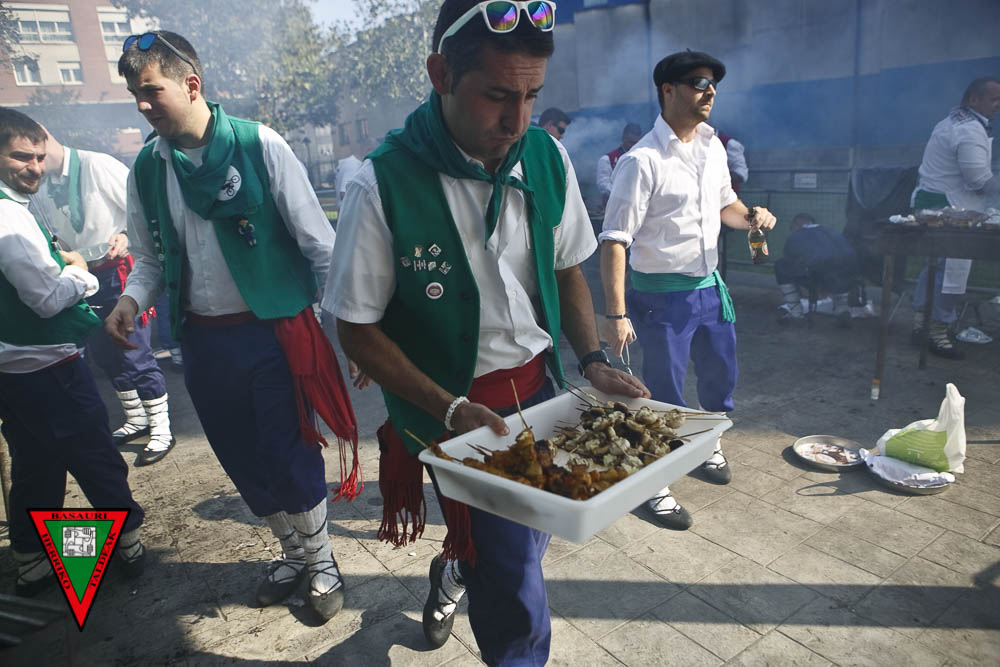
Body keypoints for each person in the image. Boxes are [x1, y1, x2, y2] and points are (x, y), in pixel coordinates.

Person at [325, 1, 649, 663]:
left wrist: (592, 358)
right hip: (459, 413)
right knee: (515, 584)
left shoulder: (545, 157)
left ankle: (458, 565)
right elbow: (356, 330)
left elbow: (566, 268)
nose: (517, 121)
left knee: (530, 539)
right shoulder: (383, 184)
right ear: (441, 74)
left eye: (532, 96)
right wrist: (448, 408)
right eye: (498, 96)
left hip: (541, 393)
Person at [105, 31, 359, 622]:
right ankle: (293, 554)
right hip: (202, 340)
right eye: (134, 93)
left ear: (191, 84)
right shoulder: (147, 168)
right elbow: (149, 259)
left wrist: (348, 333)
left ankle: (323, 561)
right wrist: (130, 299)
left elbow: (321, 247)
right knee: (241, 457)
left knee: (289, 452)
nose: (141, 104)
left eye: (151, 90)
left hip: (274, 334)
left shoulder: (258, 144)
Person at [599, 51, 777, 530]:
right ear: (668, 90)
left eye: (713, 83)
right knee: (663, 396)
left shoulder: (713, 148)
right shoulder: (641, 161)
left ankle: (705, 445)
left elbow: (725, 205)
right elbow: (614, 240)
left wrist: (751, 216)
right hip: (660, 298)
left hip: (710, 290)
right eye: (698, 82)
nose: (710, 90)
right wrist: (616, 314)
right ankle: (651, 484)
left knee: (721, 378)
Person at [0, 107, 146, 596]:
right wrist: (81, 273)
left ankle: (31, 559)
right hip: (46, 365)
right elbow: (44, 299)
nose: (35, 167)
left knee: (35, 463)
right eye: (21, 157)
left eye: (39, 157)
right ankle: (126, 541)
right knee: (94, 455)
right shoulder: (9, 217)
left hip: (12, 369)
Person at [30, 129, 176, 466]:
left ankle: (162, 429)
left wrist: (125, 234)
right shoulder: (44, 182)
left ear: (44, 140)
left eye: (32, 155)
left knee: (134, 352)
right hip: (82, 274)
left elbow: (144, 209)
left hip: (120, 273)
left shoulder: (97, 165)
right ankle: (136, 418)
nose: (30, 166)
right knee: (104, 354)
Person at [910, 76, 1000, 359]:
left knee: (934, 268)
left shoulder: (949, 122)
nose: (998, 105)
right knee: (952, 272)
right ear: (974, 99)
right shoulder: (968, 129)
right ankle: (937, 334)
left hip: (932, 204)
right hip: (949, 209)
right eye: (994, 99)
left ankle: (920, 325)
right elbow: (978, 180)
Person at [774, 213, 859, 326]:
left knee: (781, 265)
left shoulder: (796, 236)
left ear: (796, 224)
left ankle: (796, 314)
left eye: (792, 227)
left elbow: (790, 260)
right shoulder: (832, 232)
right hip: (847, 279)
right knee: (836, 268)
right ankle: (842, 309)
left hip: (818, 278)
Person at [596, 122, 642, 201]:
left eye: (636, 143)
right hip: (614, 205)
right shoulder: (607, 160)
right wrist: (624, 197)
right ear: (623, 138)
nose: (633, 146)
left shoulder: (643, 160)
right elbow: (603, 184)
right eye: (630, 142)